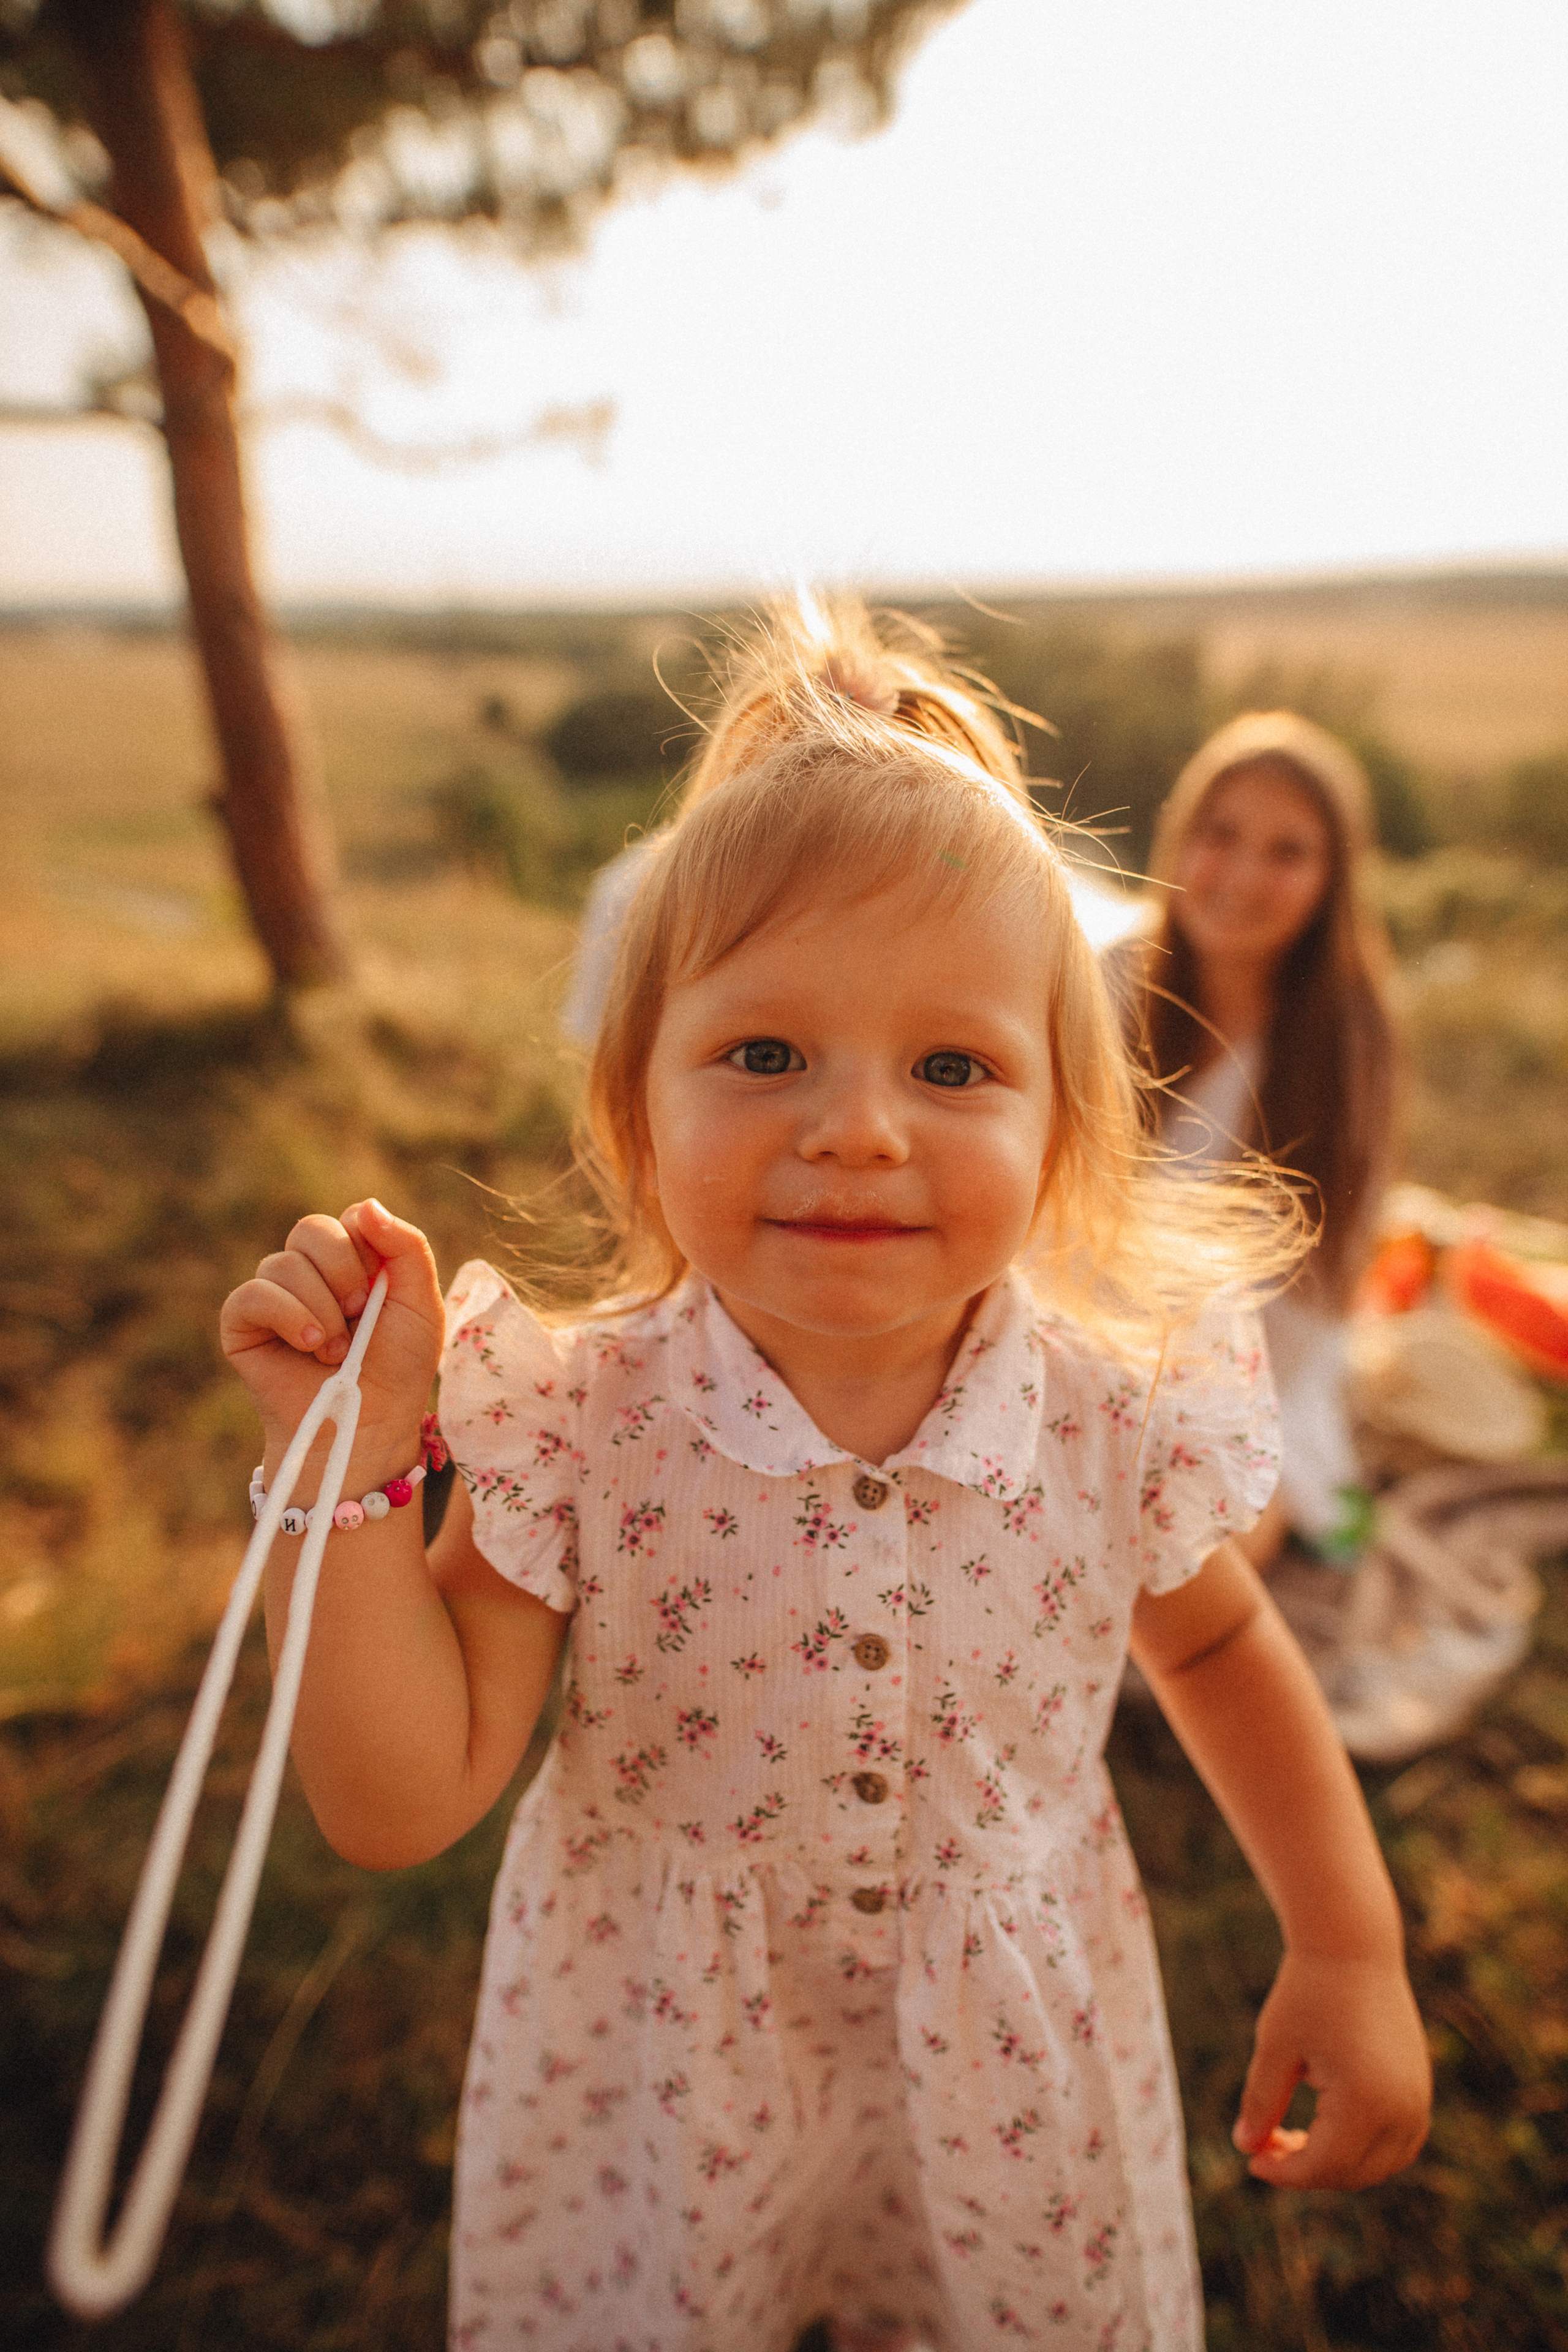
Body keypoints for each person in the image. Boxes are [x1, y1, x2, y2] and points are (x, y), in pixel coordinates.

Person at [221, 609, 1428, 2352]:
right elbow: (394, 1803)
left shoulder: (1106, 1421)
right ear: (639, 1110)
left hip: (1003, 2079)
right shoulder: (583, 1422)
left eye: (953, 1068)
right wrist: (329, 1468)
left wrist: (1348, 1942)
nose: (858, 1128)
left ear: (1063, 1131)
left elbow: (1226, 1654)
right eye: (765, 1054)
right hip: (664, 2090)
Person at [1112, 712, 1400, 1570]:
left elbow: (1311, 1304)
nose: (1242, 874)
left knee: (1217, 1533)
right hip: (1076, 1340)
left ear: (1331, 880)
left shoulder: (1348, 1043)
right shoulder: (1111, 978)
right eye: (1221, 835)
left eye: (1286, 852)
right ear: (1180, 841)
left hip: (1246, 1380)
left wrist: (1172, 1405)